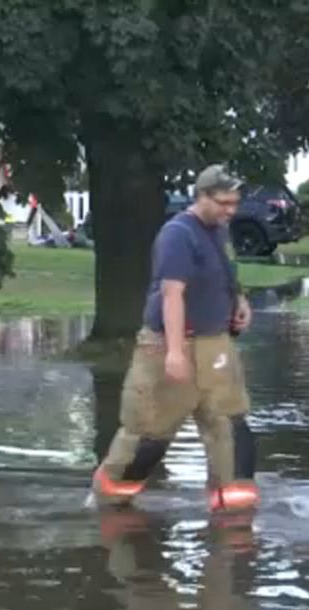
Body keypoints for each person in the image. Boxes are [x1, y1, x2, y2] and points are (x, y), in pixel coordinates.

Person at [90, 165, 259, 517]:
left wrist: (239, 300)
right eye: (224, 202)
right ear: (201, 196)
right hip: (169, 344)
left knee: (232, 430)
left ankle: (233, 526)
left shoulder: (219, 231)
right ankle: (107, 508)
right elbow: (172, 295)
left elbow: (225, 271)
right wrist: (175, 354)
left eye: (235, 203)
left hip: (217, 346)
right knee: (148, 437)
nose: (231, 210)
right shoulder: (178, 234)